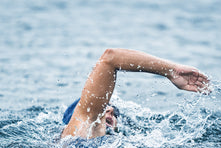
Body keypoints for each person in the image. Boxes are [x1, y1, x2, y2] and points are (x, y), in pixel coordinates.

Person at [61, 48, 209, 139]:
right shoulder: (81, 127)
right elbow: (110, 58)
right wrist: (171, 71)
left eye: (115, 112)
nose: (110, 110)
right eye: (101, 108)